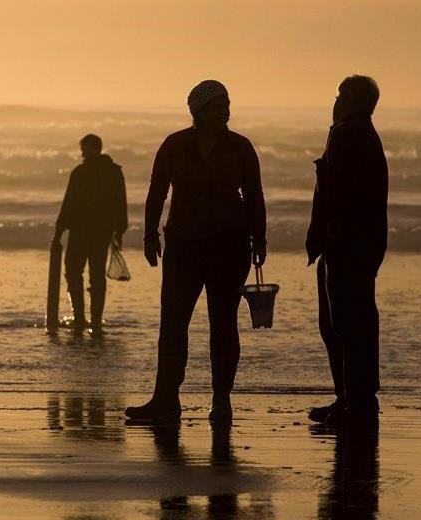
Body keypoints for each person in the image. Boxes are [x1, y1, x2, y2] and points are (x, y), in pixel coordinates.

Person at [125, 80, 267, 423]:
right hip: (183, 245)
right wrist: (149, 236)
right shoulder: (174, 146)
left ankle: (221, 400)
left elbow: (254, 195)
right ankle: (165, 399)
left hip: (230, 246)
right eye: (219, 107)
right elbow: (156, 192)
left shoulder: (240, 147)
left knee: (223, 323)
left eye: (227, 105)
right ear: (199, 112)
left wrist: (259, 241)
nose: (226, 112)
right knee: (173, 323)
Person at [306, 75, 388, 428]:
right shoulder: (364, 135)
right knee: (354, 321)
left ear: (355, 101)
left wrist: (327, 236)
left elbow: (335, 192)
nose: (335, 100)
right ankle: (352, 400)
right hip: (362, 243)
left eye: (341, 94)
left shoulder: (345, 134)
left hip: (346, 244)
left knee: (342, 323)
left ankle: (355, 402)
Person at [53, 134, 128, 334]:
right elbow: (121, 203)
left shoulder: (80, 172)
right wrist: (120, 231)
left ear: (91, 149)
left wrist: (59, 230)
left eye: (84, 149)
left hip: (81, 231)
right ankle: (93, 320)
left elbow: (68, 203)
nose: (82, 153)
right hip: (102, 232)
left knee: (74, 271)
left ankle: (80, 318)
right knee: (96, 276)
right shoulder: (114, 172)